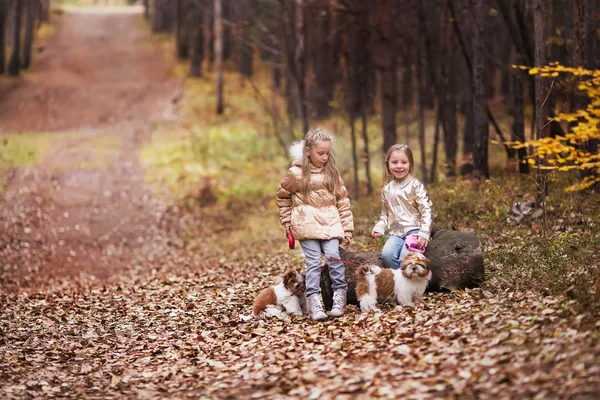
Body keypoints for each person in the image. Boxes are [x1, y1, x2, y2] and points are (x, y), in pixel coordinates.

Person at [276, 128, 354, 321]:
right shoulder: (295, 174)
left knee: (334, 258)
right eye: (321, 153)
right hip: (306, 223)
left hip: (331, 223)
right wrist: (288, 223)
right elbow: (282, 197)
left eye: (327, 153)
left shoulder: (332, 172)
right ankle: (315, 304)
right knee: (313, 263)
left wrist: (347, 229)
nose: (325, 157)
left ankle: (339, 299)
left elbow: (342, 200)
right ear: (308, 150)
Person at [372, 144, 433, 270]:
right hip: (396, 233)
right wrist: (379, 227)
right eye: (394, 162)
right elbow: (385, 214)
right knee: (387, 255)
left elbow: (426, 209)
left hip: (415, 230)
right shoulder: (387, 189)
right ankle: (400, 282)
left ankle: (408, 285)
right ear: (388, 164)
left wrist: (424, 232)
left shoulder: (415, 185)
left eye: (404, 162)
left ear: (410, 164)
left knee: (406, 257)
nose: (399, 166)